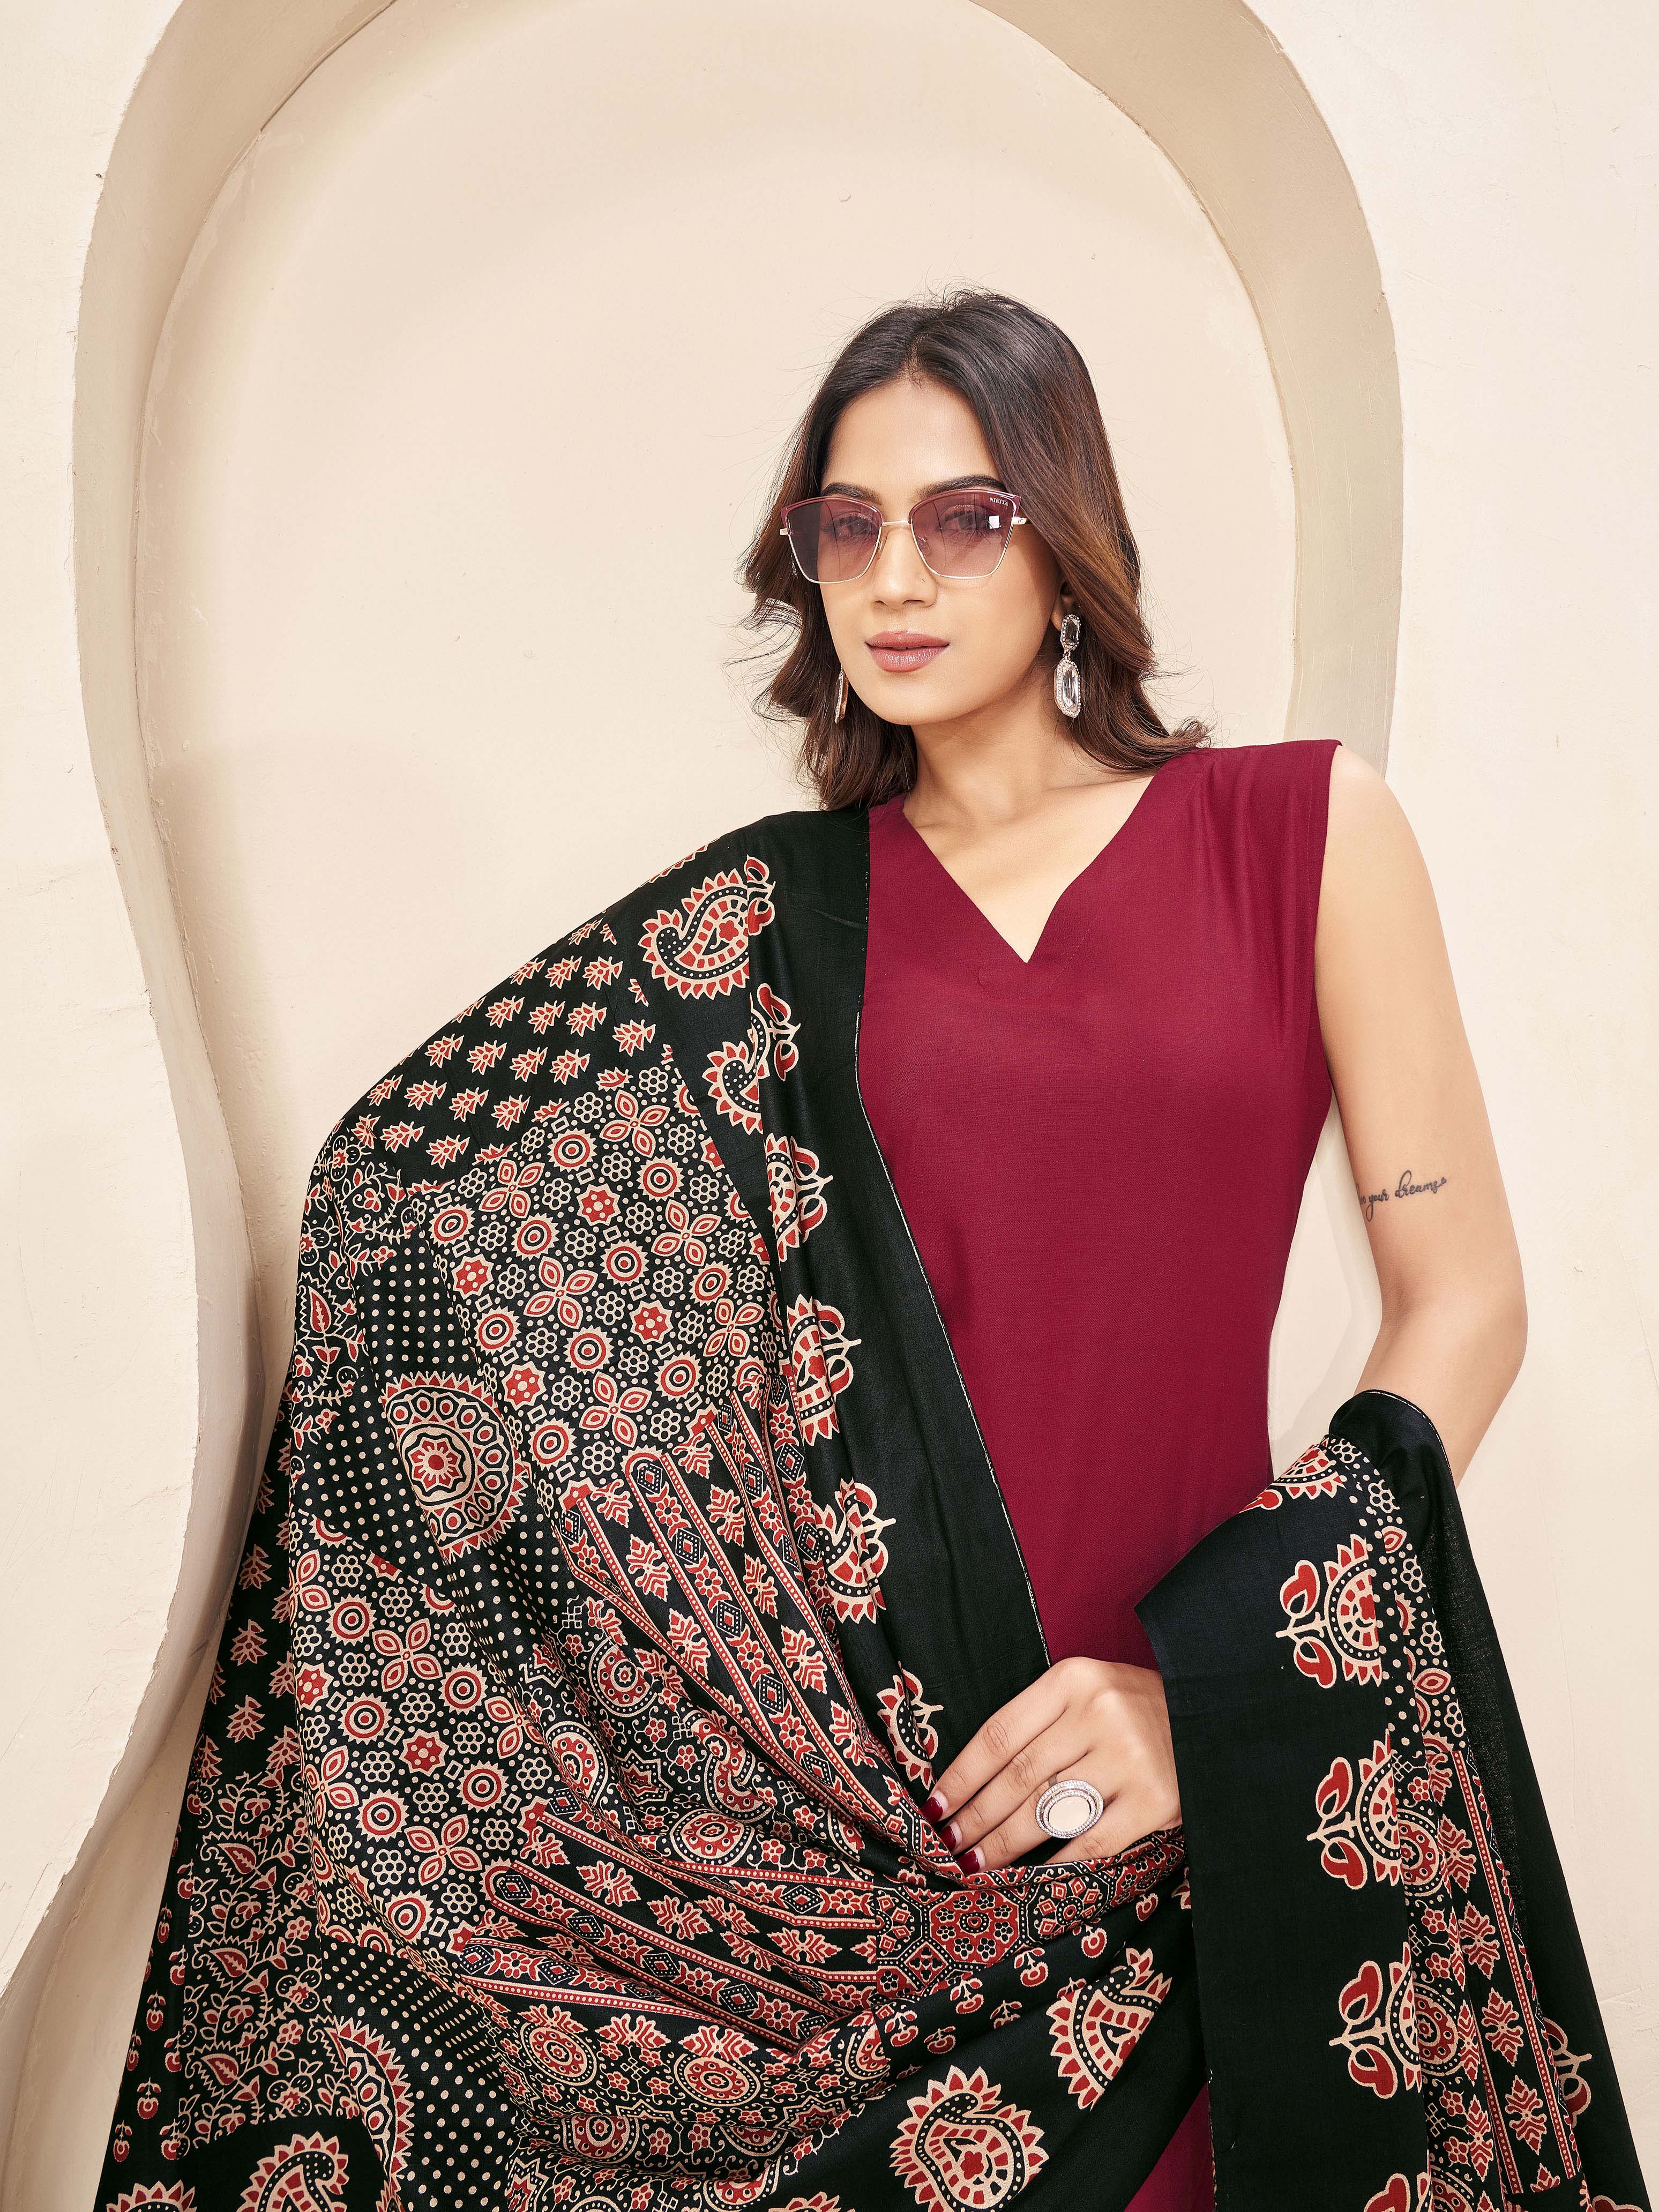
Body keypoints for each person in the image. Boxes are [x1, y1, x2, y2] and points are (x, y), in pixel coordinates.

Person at [98, 289, 1647, 2212]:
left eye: (966, 518)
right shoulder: (773, 926)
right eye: (849, 526)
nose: (896, 576)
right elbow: (405, 1194)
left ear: (1069, 544)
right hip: (885, 1842)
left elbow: (1464, 1302)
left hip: (1195, 1780)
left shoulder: (1298, 831)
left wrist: (1211, 1687)